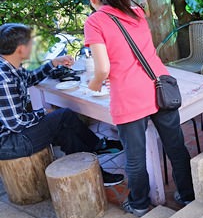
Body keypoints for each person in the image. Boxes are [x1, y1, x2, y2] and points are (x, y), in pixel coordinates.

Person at [83, 0, 194, 217]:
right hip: (159, 87)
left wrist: (93, 85)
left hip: (129, 95)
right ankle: (187, 195)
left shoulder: (95, 22)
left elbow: (102, 68)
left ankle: (140, 204)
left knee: (134, 156)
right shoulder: (136, 13)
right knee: (175, 146)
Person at [0, 23, 124, 185]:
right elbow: (16, 124)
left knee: (65, 130)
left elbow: (29, 79)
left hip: (14, 134)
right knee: (62, 116)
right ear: (21, 49)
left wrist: (53, 63)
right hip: (10, 143)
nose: (34, 45)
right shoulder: (4, 79)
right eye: (31, 42)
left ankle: (95, 167)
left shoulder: (10, 66)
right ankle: (97, 154)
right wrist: (44, 112)